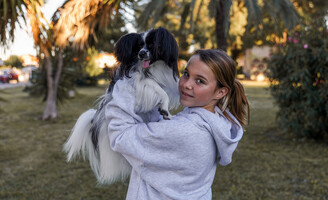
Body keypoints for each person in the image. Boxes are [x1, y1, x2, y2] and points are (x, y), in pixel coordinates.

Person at [106, 49, 250, 200]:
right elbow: (161, 129)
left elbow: (120, 136)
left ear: (220, 92)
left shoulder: (187, 131)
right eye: (186, 74)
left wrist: (126, 83)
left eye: (200, 81)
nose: (187, 84)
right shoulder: (215, 122)